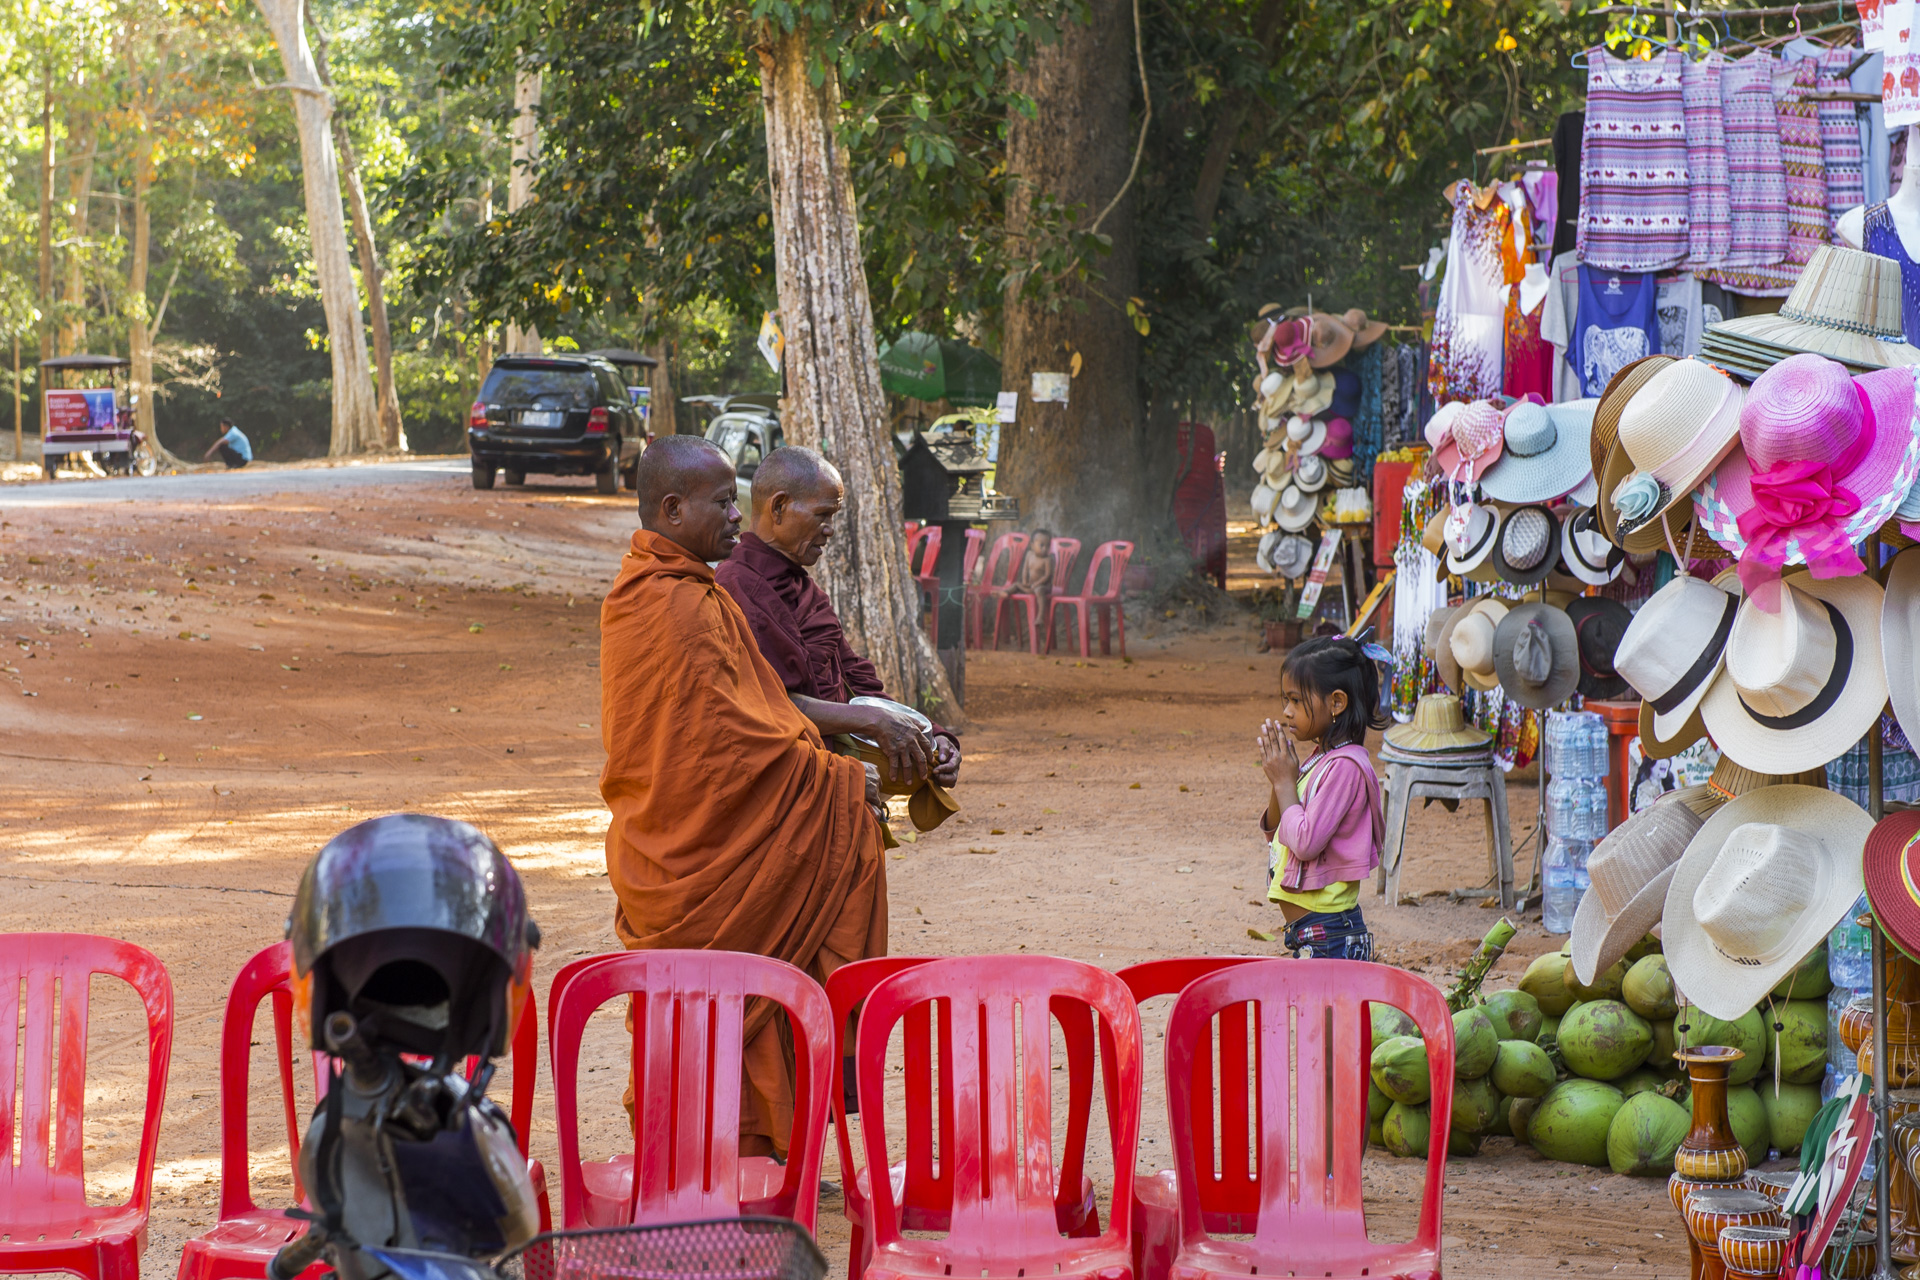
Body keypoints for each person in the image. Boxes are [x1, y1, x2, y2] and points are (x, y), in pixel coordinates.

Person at [598, 435, 887, 1157]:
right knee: (721, 987)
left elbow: (758, 717)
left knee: (760, 981)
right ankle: (708, 1153)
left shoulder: (690, 591)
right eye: (724, 502)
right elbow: (720, 749)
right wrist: (839, 780)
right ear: (672, 510)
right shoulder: (669, 604)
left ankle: (755, 1152)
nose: (738, 516)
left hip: (705, 845)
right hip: (688, 847)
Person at [715, 445, 959, 788]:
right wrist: (869, 720)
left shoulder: (801, 586)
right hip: (785, 782)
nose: (830, 529)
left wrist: (933, 735)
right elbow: (764, 705)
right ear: (780, 507)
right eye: (823, 515)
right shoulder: (736, 586)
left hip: (834, 774)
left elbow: (855, 678)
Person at [1255, 635, 1388, 961]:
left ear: (1337, 703)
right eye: (1284, 699)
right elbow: (1275, 833)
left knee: (1327, 1014)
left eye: (1296, 701)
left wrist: (1287, 784)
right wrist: (1280, 779)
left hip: (1331, 934)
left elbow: (1305, 842)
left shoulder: (1345, 768)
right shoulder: (1321, 760)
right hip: (1313, 930)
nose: (1286, 711)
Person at [1016, 528, 1056, 620]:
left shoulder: (1047, 559)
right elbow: (1025, 569)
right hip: (1031, 586)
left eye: (1048, 545)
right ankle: (1005, 593)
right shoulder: (1029, 555)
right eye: (1041, 545)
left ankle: (1040, 615)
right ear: (1032, 546)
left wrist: (1037, 584)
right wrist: (1025, 581)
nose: (1045, 548)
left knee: (1039, 590)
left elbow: (1047, 575)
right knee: (1016, 585)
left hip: (1044, 587)